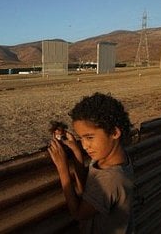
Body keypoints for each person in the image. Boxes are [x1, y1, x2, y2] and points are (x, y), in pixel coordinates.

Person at [48, 92, 134, 233]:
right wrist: (77, 154)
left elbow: (78, 213)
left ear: (114, 132)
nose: (85, 145)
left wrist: (63, 168)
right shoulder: (110, 158)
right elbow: (89, 191)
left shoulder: (111, 179)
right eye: (81, 138)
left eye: (89, 137)